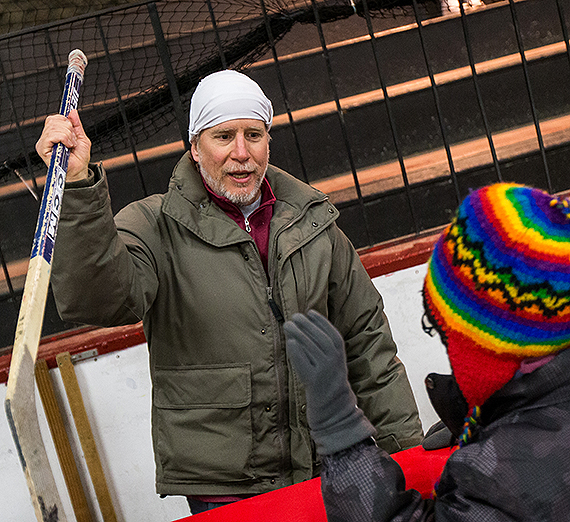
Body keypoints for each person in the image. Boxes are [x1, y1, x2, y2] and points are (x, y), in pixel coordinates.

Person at [35, 69, 423, 514]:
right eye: (223, 136)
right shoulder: (153, 225)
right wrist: (80, 184)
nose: (241, 153)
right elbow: (98, 301)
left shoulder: (315, 223)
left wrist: (407, 454)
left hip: (324, 471)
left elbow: (367, 342)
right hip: (225, 491)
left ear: (268, 142)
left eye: (253, 134)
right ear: (195, 148)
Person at [284, 182, 570, 521]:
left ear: (495, 347)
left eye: (444, 332)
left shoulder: (504, 475)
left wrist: (339, 429)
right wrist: (491, 419)